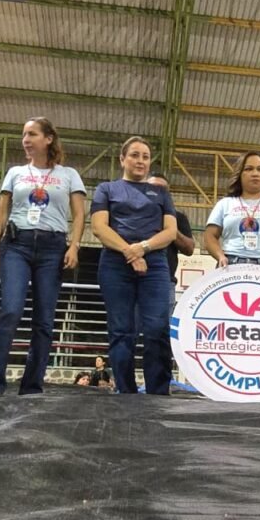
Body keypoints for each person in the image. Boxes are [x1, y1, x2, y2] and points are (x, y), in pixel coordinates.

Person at [0, 118, 86, 397]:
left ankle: (31, 386)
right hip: (17, 244)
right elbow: (1, 211)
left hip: (53, 247)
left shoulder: (69, 175)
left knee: (44, 319)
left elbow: (79, 214)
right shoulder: (15, 172)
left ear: (48, 139)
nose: (25, 140)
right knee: (10, 310)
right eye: (24, 135)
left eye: (32, 134)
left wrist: (74, 246)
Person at [91, 136, 178, 395]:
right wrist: (130, 252)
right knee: (121, 330)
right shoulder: (106, 189)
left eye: (145, 156)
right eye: (134, 155)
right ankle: (125, 392)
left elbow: (170, 232)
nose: (140, 161)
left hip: (155, 265)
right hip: (115, 264)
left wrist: (143, 248)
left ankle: (158, 392)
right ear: (122, 159)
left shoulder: (161, 193)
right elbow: (99, 227)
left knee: (156, 329)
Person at [147, 173, 195, 306]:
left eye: (162, 189)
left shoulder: (178, 217)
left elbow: (189, 249)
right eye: (152, 188)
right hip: (133, 279)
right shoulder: (133, 213)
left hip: (165, 281)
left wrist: (171, 228)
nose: (157, 192)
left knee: (162, 319)